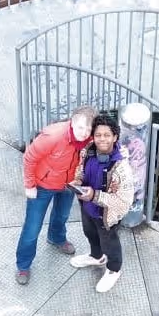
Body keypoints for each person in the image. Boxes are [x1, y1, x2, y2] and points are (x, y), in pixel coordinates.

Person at [15, 105, 96, 285]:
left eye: (88, 129)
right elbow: (30, 158)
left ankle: (56, 237)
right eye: (81, 127)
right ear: (72, 123)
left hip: (68, 184)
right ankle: (23, 265)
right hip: (43, 185)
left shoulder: (89, 139)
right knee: (32, 228)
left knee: (62, 215)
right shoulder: (53, 136)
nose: (84, 133)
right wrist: (30, 185)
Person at [69, 113, 134, 293]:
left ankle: (114, 269)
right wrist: (78, 181)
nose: (102, 139)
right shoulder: (88, 150)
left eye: (107, 135)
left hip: (106, 215)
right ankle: (96, 257)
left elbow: (124, 202)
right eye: (98, 135)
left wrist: (95, 196)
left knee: (110, 244)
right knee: (90, 233)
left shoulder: (122, 168)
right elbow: (80, 168)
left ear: (115, 137)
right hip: (87, 207)